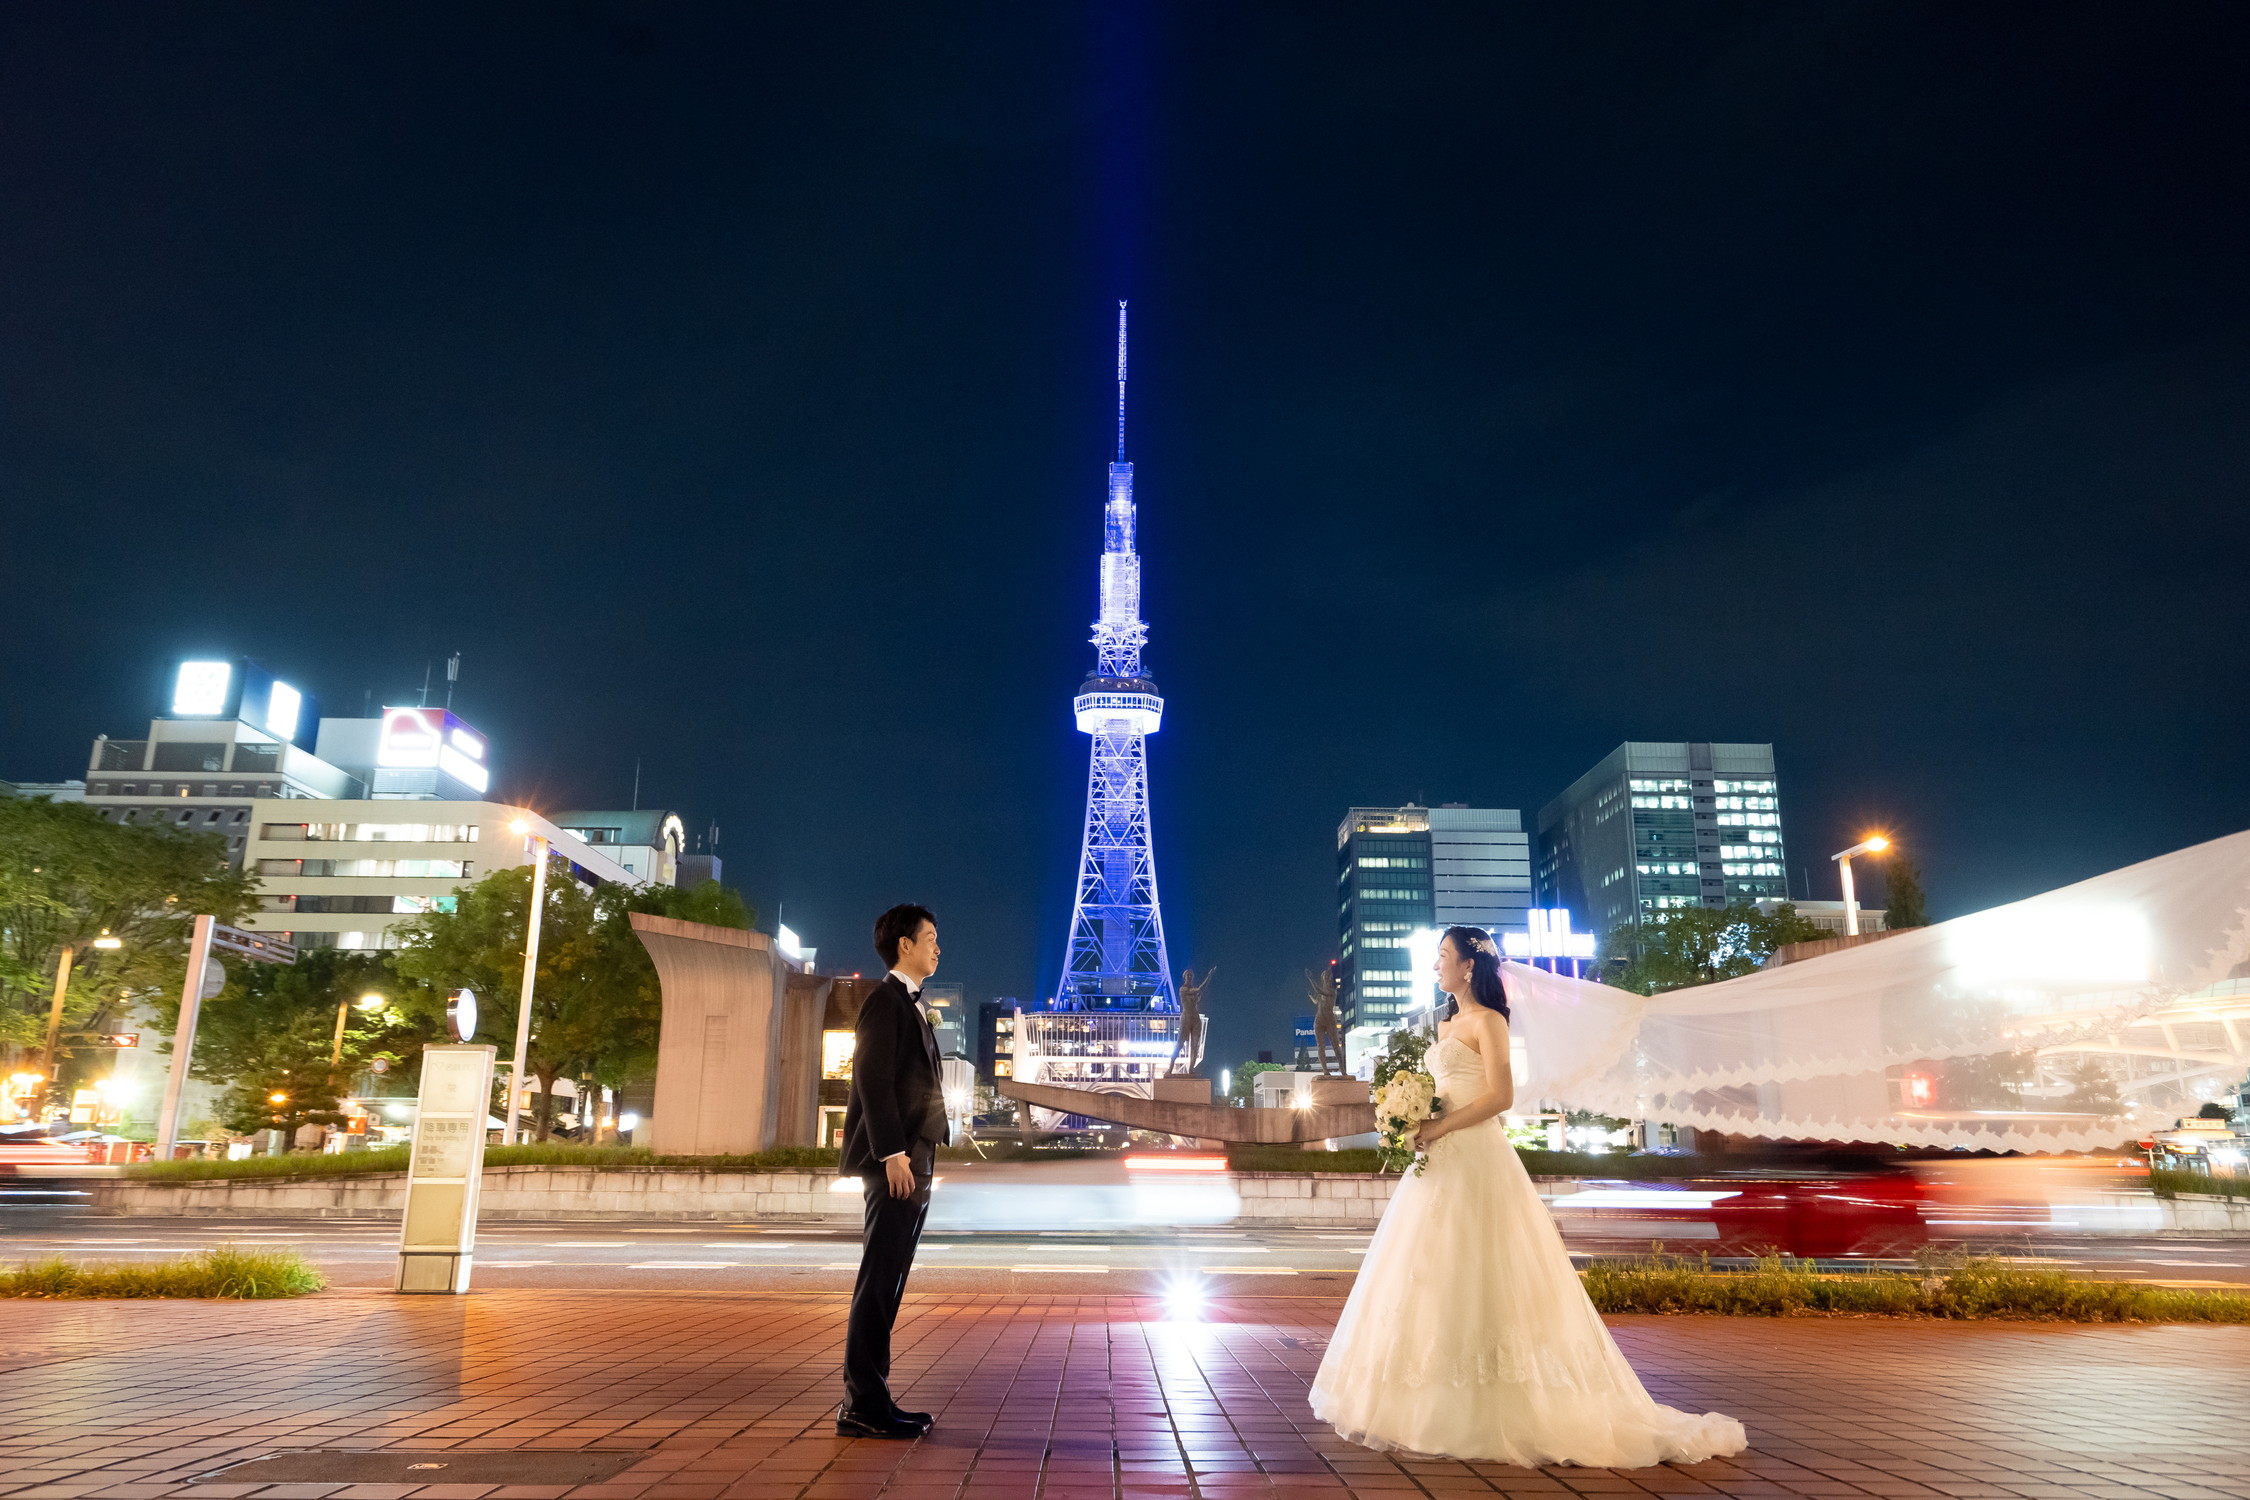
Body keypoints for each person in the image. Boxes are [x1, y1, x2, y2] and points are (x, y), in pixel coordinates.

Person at [1310, 925, 1746, 1466]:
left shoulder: (1489, 1021)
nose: (1436, 965)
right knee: (1433, 1270)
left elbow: (1501, 1095)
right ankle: (1431, 1399)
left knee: (1487, 1269)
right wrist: (1413, 1117)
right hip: (1437, 1162)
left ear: (1468, 965)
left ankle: (1498, 1403)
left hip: (1476, 1155)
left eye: (1443, 956)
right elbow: (1446, 1091)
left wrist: (1438, 1127)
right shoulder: (1444, 1024)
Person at [836, 902, 950, 1439]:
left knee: (890, 1283)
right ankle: (862, 1405)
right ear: (904, 945)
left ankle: (873, 1398)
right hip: (896, 1164)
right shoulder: (884, 1002)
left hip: (915, 1160)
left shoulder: (911, 1005)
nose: (938, 947)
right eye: (929, 938)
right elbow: (872, 1080)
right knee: (878, 1283)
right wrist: (891, 1153)